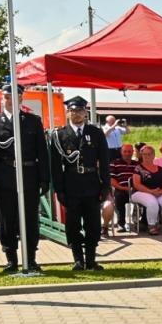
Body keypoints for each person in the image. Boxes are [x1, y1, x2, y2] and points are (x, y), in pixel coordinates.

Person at [0, 91, 49, 274]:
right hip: (5, 178)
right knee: (7, 221)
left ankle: (31, 259)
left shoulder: (32, 121)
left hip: (29, 176)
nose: (10, 100)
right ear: (2, 99)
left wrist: (44, 178)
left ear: (21, 99)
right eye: (6, 97)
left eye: (14, 97)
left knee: (30, 221)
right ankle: (11, 259)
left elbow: (42, 153)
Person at [49, 96, 112, 271]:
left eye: (79, 111)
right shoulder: (60, 134)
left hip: (92, 184)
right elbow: (55, 166)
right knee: (73, 225)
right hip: (71, 186)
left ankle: (91, 259)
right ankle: (78, 259)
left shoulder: (95, 133)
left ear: (85, 112)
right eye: (72, 111)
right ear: (67, 112)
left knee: (93, 224)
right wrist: (59, 189)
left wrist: (106, 185)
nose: (76, 114)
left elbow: (104, 162)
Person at [130, 145, 162, 235]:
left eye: (149, 154)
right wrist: (151, 191)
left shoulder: (160, 169)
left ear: (153, 155)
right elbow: (137, 184)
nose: (146, 156)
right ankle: (151, 226)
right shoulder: (138, 168)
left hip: (158, 192)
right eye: (144, 154)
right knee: (152, 202)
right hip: (140, 193)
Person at [106, 142, 137, 233]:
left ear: (133, 152)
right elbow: (112, 180)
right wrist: (124, 188)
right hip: (121, 189)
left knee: (147, 197)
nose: (127, 153)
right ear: (121, 152)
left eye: (129, 151)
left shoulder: (137, 164)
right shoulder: (114, 163)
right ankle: (121, 224)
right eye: (125, 151)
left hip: (136, 190)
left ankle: (143, 223)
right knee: (119, 198)